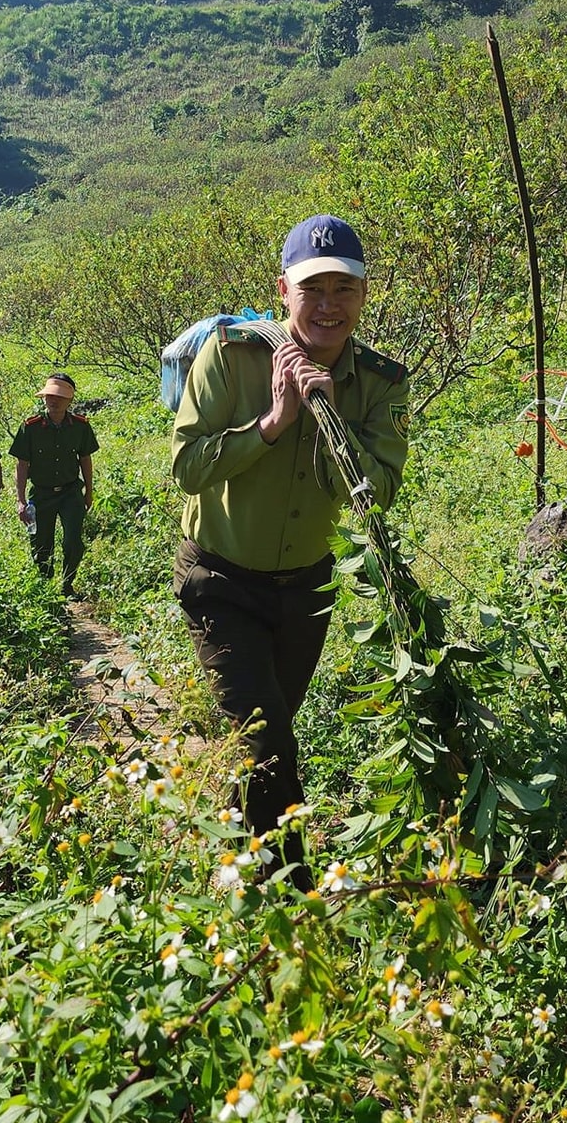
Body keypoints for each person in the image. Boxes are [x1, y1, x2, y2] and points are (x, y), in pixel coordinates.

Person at [171, 215, 410, 880]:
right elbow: (188, 467)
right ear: (284, 290)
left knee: (259, 739)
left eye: (344, 289)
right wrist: (274, 423)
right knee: (271, 742)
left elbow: (375, 494)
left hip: (306, 587)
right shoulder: (232, 355)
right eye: (313, 289)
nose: (328, 306)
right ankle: (295, 899)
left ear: (364, 295)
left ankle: (236, 859)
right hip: (219, 579)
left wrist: (333, 421)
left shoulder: (380, 383)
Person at [8, 373, 98, 597]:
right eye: (49, 396)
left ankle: (67, 586)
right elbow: (22, 464)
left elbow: (85, 459)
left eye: (59, 397)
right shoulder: (30, 427)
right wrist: (20, 500)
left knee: (73, 542)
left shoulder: (80, 426)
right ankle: (45, 589)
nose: (53, 400)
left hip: (71, 493)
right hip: (41, 494)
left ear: (69, 400)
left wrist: (89, 491)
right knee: (41, 543)